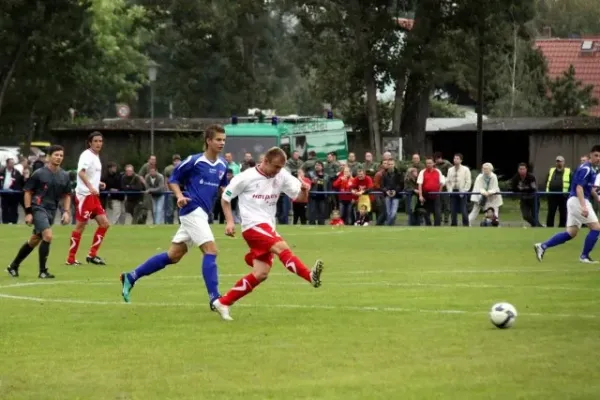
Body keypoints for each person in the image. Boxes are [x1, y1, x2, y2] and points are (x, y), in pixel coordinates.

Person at [120, 125, 228, 307]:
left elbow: (224, 189)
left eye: (224, 140)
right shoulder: (194, 161)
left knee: (174, 255)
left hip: (202, 213)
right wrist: (179, 196)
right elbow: (173, 180)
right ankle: (215, 298)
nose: (222, 143)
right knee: (211, 251)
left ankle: (131, 276)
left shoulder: (223, 164)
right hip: (192, 210)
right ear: (208, 141)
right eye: (218, 139)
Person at [212, 147, 324, 321]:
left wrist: (304, 189)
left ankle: (223, 302)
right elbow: (225, 198)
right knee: (282, 247)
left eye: (281, 168)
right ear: (265, 161)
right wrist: (230, 221)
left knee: (261, 273)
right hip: (252, 226)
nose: (278, 171)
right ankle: (310, 276)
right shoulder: (246, 177)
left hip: (268, 227)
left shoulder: (282, 175)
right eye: (276, 167)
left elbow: (300, 199)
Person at [6, 145, 71, 278]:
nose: (58, 157)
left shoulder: (64, 175)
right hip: (38, 207)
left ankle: (13, 265)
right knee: (48, 235)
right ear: (48, 157)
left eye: (61, 155)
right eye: (56, 155)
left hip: (52, 211)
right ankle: (43, 271)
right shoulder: (39, 173)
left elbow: (67, 194)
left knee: (34, 240)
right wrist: (29, 212)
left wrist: (66, 211)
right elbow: (28, 192)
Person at [534, 145, 600, 263]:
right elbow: (579, 188)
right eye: (596, 155)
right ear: (590, 155)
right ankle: (584, 256)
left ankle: (542, 246)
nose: (598, 158)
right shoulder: (587, 169)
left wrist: (597, 198)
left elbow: (588, 188)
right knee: (596, 228)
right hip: (578, 200)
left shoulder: (593, 169)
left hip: (575, 201)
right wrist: (583, 206)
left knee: (571, 233)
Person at [66, 131, 110, 265]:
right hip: (84, 195)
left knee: (105, 224)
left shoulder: (96, 156)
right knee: (80, 226)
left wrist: (98, 183)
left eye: (100, 141)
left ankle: (92, 255)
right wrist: (91, 186)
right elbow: (81, 172)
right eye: (95, 141)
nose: (98, 143)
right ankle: (71, 259)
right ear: (90, 142)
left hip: (93, 196)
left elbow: (90, 174)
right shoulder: (86, 155)